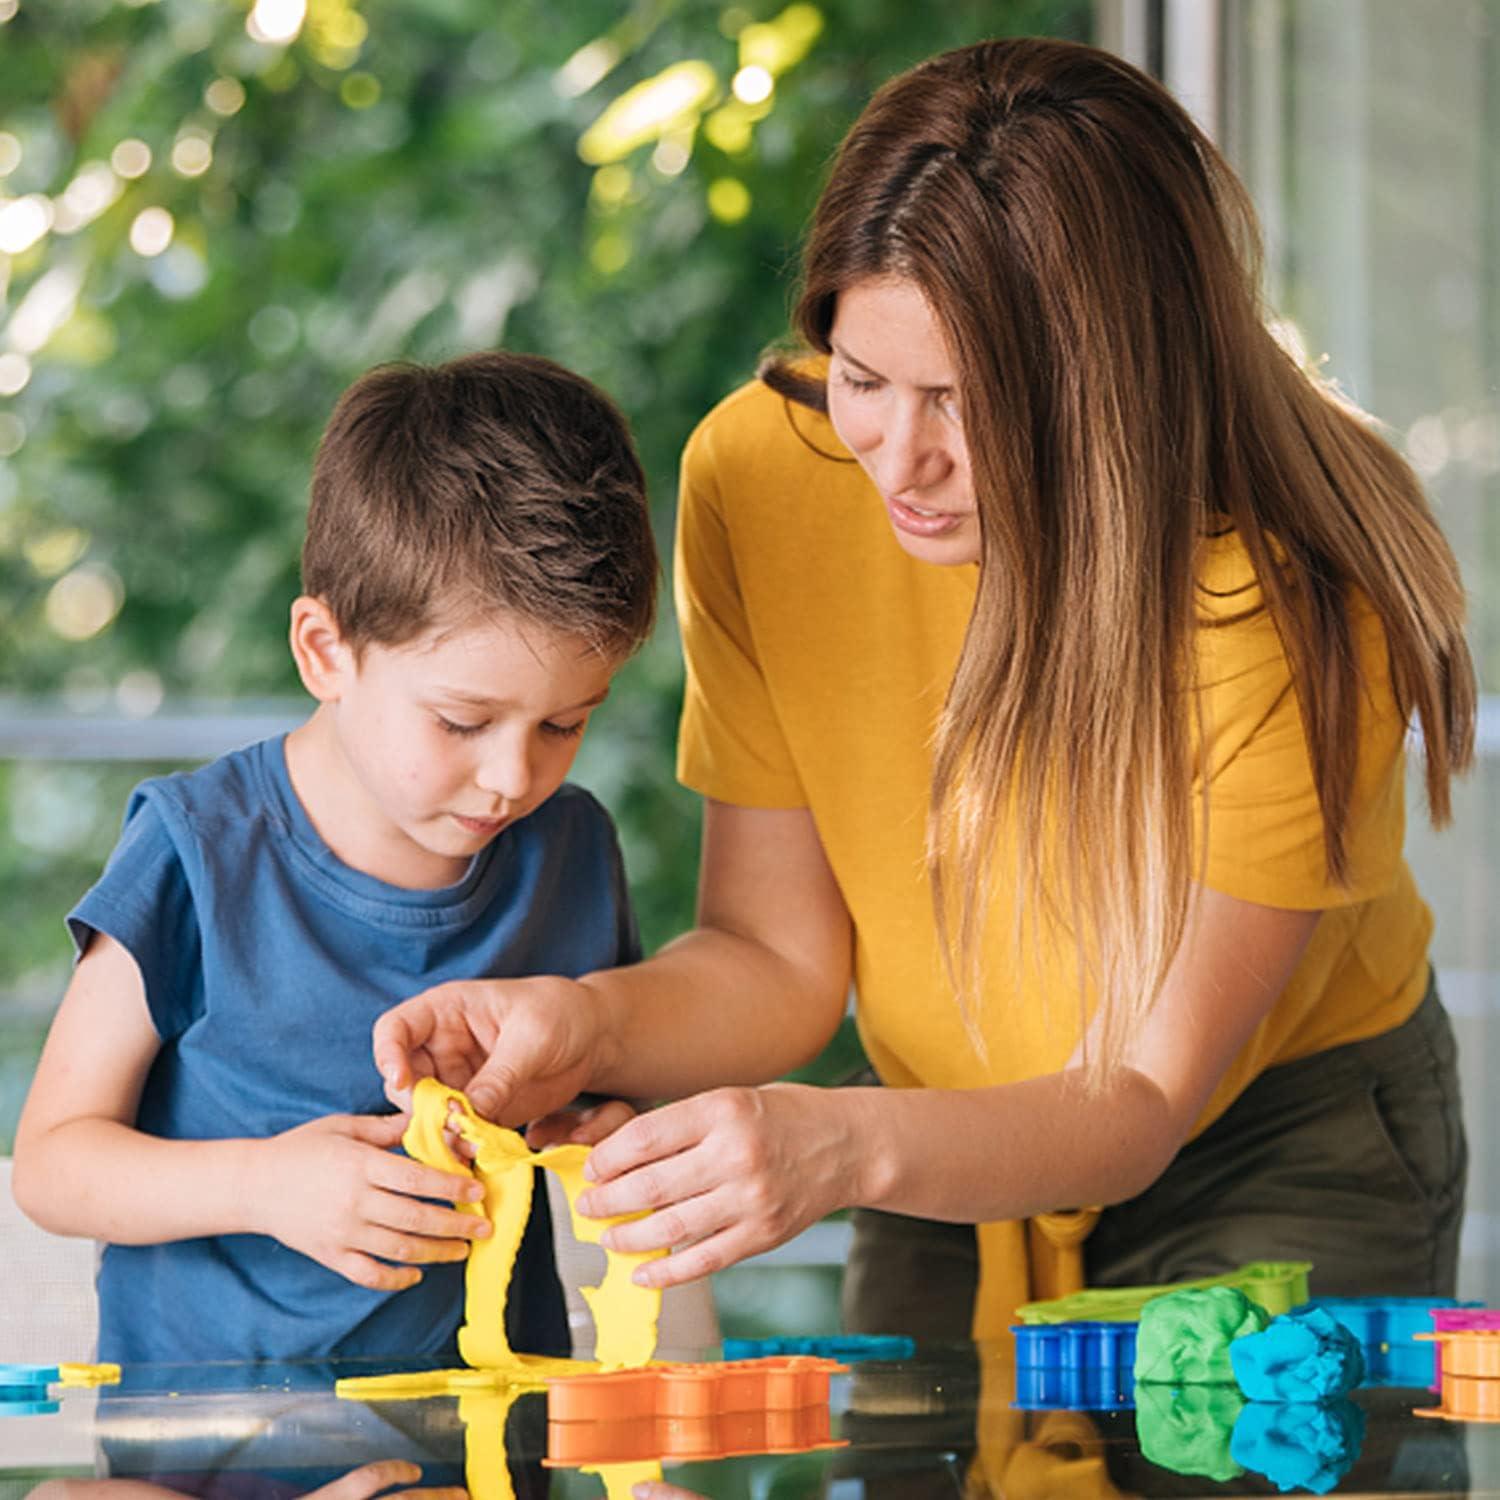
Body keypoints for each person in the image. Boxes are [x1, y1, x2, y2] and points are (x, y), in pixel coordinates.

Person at [373, 38, 1475, 1343]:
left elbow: (1135, 1098)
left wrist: (838, 1148)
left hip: (1268, 1141)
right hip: (927, 1137)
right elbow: (778, 959)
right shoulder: (761, 483)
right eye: (863, 379)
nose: (901, 459)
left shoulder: (1281, 610)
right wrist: (587, 1025)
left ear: (1110, 384)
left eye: (966, 400)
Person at [12, 350, 658, 1364]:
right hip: (214, 1466)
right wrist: (264, 1184)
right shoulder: (199, 853)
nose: (511, 778)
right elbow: (51, 1165)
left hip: (484, 1458)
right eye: (462, 721)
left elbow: (594, 1096)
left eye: (564, 724)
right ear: (326, 653)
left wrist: (595, 1134)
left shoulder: (572, 850)